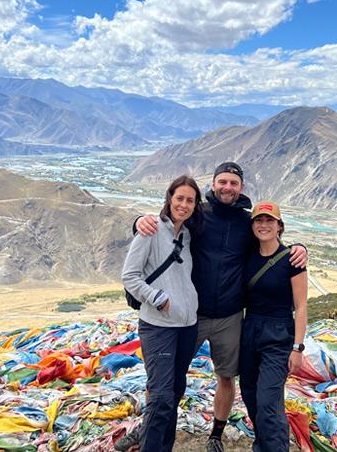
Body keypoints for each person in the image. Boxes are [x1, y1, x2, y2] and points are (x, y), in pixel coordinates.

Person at [134, 162, 308, 452]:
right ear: (213, 184)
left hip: (230, 316)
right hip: (193, 314)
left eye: (234, 183)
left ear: (240, 188)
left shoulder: (245, 222)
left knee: (226, 376)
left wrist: (299, 247)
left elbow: (272, 246)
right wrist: (139, 220)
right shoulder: (198, 213)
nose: (228, 187)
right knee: (170, 377)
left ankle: (216, 433)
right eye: (222, 182)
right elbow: (166, 222)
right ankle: (148, 429)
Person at [120, 175, 203, 452]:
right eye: (179, 198)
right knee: (160, 397)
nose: (184, 204)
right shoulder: (151, 229)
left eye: (190, 200)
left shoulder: (187, 235)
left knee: (175, 394)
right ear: (169, 199)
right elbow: (130, 276)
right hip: (159, 327)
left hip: (187, 326)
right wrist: (156, 297)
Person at [239, 201, 308, 452]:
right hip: (250, 332)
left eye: (270, 220)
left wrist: (298, 347)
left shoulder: (293, 259)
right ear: (253, 225)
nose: (264, 225)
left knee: (268, 401)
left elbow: (300, 306)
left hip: (279, 335)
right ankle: (262, 445)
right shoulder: (248, 256)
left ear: (280, 226)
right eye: (259, 220)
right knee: (249, 395)